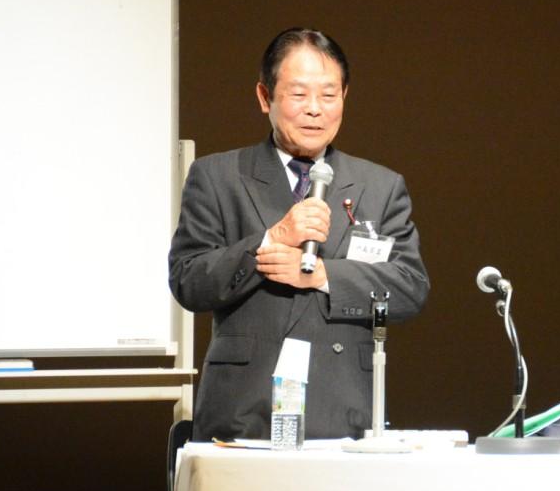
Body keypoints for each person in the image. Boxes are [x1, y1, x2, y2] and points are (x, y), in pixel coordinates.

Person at [169, 28, 430, 442]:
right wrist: (271, 240)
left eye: (328, 95)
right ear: (265, 97)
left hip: (343, 410)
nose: (315, 110)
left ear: (344, 97)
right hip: (244, 410)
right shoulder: (218, 176)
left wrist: (322, 275)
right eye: (298, 94)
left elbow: (409, 286)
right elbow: (188, 281)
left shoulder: (380, 186)